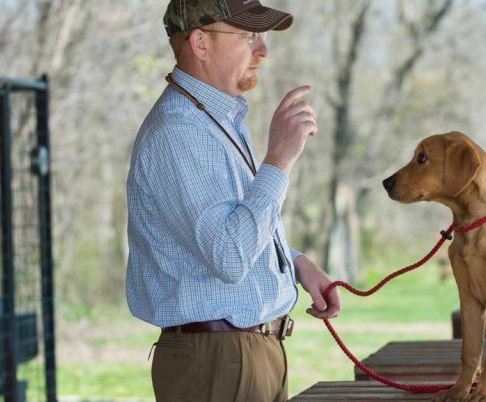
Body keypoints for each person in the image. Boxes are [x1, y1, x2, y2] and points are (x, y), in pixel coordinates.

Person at [125, 1, 341, 400]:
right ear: (200, 42)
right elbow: (229, 255)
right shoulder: (178, 133)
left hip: (238, 355)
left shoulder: (210, 119)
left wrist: (296, 263)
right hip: (219, 360)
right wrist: (279, 160)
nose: (263, 50)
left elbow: (225, 229)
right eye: (247, 36)